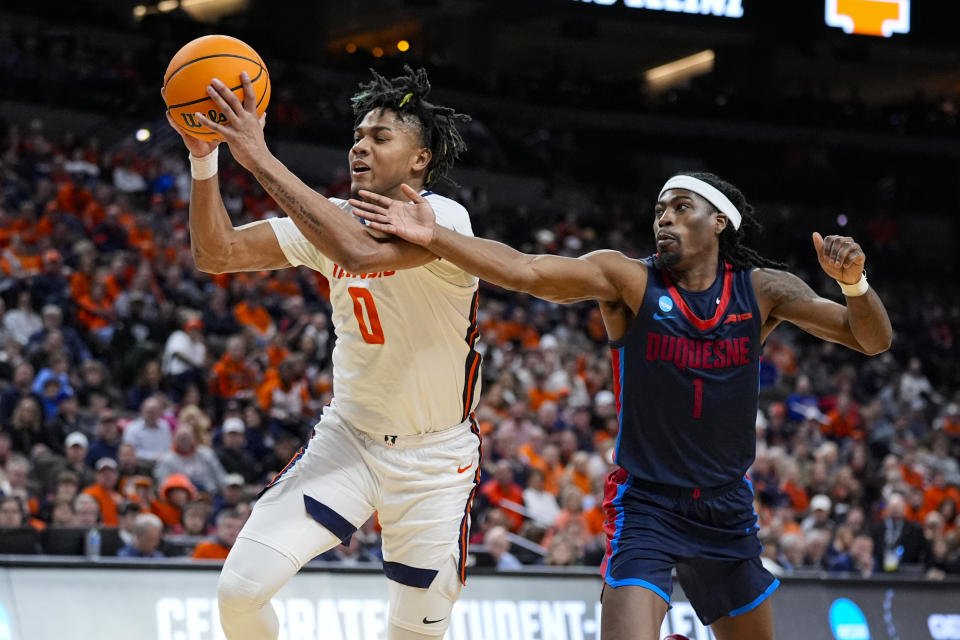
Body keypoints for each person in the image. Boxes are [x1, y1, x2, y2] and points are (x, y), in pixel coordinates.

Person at [350, 171, 893, 640]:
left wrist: (855, 284)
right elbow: (526, 271)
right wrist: (434, 235)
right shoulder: (629, 279)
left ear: (720, 223)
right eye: (660, 210)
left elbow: (871, 339)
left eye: (682, 208)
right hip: (648, 505)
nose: (664, 219)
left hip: (726, 509)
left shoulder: (765, 289)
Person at [165, 65, 480, 640]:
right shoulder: (331, 219)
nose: (360, 145)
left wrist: (257, 155)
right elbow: (217, 252)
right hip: (350, 441)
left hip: (435, 463)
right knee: (239, 592)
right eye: (357, 135)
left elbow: (361, 253)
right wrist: (205, 159)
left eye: (380, 137)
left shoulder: (445, 220)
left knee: (415, 634)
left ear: (420, 159)